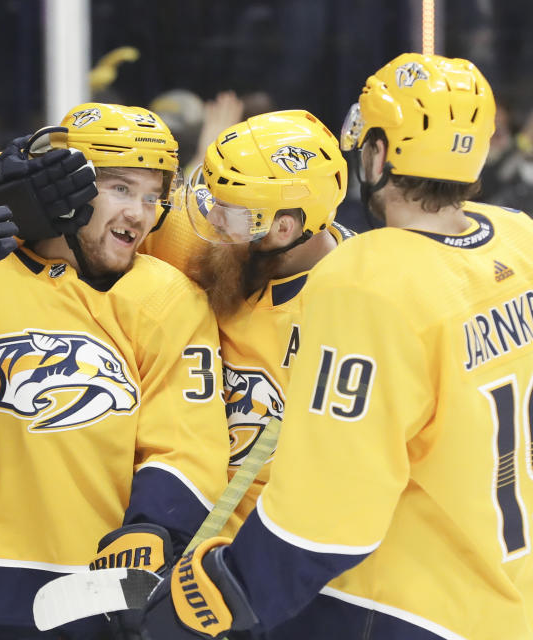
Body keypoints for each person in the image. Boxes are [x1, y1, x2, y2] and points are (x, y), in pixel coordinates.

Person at [141, 53, 533, 640]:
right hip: (508, 591)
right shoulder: (516, 235)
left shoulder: (364, 280)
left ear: (375, 153)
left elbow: (331, 514)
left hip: (415, 608)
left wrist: (229, 595)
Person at [0, 102, 232, 638]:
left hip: (121, 592)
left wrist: (157, 525)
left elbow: (187, 440)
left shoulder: (167, 297)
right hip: (0, 590)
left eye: (153, 195)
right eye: (121, 188)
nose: (140, 211)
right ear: (67, 185)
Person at [143, 109, 350, 534]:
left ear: (283, 228)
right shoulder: (206, 237)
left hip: (266, 552)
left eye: (230, 210)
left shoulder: (359, 311)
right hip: (167, 510)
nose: (211, 218)